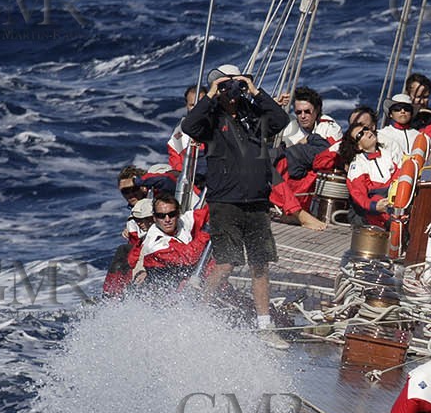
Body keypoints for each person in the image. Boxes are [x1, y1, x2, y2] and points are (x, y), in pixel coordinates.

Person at [179, 62, 292, 347]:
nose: (232, 90)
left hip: (257, 202)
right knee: (226, 263)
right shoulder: (210, 119)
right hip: (225, 203)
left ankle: (264, 325)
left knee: (260, 264)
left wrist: (254, 91)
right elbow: (189, 126)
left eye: (235, 83)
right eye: (225, 84)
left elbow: (280, 120)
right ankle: (200, 316)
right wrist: (211, 94)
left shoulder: (253, 115)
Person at [270, 85, 338, 231]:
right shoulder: (290, 127)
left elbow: (329, 155)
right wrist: (274, 106)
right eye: (298, 112)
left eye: (307, 111)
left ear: (317, 110)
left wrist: (307, 141)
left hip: (312, 180)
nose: (303, 116)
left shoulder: (328, 127)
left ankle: (296, 212)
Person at [130, 190, 210, 289]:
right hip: (162, 289)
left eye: (171, 214)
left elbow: (209, 211)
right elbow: (189, 257)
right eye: (161, 216)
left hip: (185, 277)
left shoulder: (183, 221)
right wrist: (206, 232)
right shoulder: (154, 243)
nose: (167, 220)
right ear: (154, 218)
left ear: (178, 214)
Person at [343, 121, 395, 228]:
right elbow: (358, 195)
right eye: (360, 134)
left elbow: (399, 176)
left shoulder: (388, 155)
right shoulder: (357, 165)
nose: (366, 132)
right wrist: (374, 206)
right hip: (367, 216)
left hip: (390, 208)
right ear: (358, 147)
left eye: (366, 129)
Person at [166, 85, 204, 175]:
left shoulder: (220, 124)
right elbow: (174, 155)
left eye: (200, 104)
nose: (196, 109)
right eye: (192, 105)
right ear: (186, 105)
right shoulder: (180, 131)